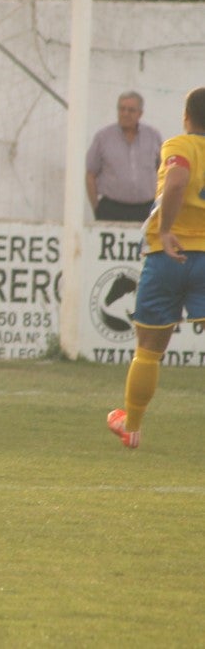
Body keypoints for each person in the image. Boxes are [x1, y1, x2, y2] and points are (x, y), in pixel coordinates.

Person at [108, 88, 205, 449]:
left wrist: (166, 231)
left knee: (148, 348)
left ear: (186, 116)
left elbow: (178, 181)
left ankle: (131, 426)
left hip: (168, 254)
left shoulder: (179, 145)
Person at [86, 91, 162, 222]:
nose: (125, 113)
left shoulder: (153, 136)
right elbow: (90, 174)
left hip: (146, 209)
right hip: (111, 209)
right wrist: (96, 207)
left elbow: (162, 170)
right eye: (122, 109)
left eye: (131, 110)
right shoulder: (103, 137)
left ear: (140, 113)